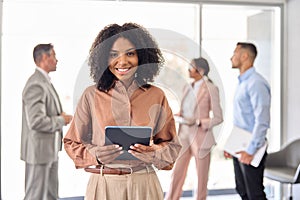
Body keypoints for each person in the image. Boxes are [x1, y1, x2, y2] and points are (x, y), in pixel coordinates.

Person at [63, 22, 182, 200]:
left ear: (141, 57)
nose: (122, 61)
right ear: (104, 59)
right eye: (113, 55)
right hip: (104, 185)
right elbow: (71, 143)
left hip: (145, 184)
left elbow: (172, 147)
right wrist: (95, 154)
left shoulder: (156, 95)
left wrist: (154, 152)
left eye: (130, 53)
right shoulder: (91, 95)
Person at [165, 57, 223, 200]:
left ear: (201, 71)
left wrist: (198, 122)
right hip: (184, 135)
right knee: (177, 173)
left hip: (201, 137)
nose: (188, 69)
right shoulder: (188, 86)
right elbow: (186, 109)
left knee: (201, 177)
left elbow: (218, 117)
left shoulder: (211, 88)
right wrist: (180, 114)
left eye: (191, 67)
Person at [21, 43, 73, 200]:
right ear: (45, 57)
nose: (57, 60)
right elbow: (36, 121)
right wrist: (61, 120)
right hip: (39, 153)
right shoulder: (36, 84)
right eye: (54, 56)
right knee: (35, 196)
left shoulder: (44, 82)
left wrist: (59, 115)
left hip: (48, 151)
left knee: (51, 195)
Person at [224, 42, 271, 200]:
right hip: (240, 145)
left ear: (244, 56)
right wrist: (231, 146)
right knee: (242, 190)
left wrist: (251, 150)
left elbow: (262, 121)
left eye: (235, 53)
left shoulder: (256, 83)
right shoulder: (242, 83)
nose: (232, 57)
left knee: (255, 194)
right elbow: (242, 120)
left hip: (252, 147)